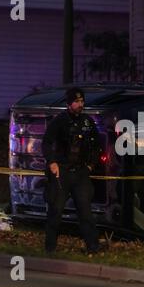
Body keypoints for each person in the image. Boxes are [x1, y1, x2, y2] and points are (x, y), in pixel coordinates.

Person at [42, 87, 102, 254]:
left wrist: (91, 165)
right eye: (76, 101)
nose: (80, 104)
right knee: (56, 211)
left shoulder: (87, 122)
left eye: (82, 101)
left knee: (85, 212)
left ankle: (93, 247)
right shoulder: (59, 121)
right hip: (61, 172)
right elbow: (46, 142)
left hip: (81, 172)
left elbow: (97, 146)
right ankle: (50, 248)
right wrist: (52, 162)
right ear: (69, 103)